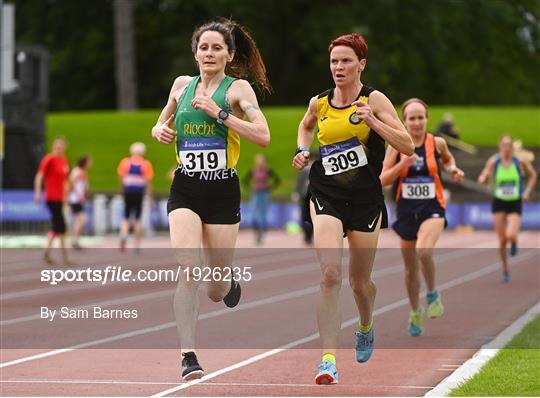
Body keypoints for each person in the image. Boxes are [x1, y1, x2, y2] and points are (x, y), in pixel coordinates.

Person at [150, 18, 271, 381]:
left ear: (229, 54)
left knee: (215, 289)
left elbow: (263, 135)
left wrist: (219, 114)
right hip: (186, 187)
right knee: (187, 268)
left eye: (217, 47)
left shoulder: (238, 91)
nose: (209, 53)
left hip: (221, 190)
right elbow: (160, 124)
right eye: (204, 47)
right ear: (195, 52)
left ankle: (228, 281)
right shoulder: (181, 85)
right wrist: (159, 130)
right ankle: (188, 355)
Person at [292, 33, 414, 385]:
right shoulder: (320, 101)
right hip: (325, 192)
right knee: (330, 274)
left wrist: (373, 121)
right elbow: (305, 124)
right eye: (334, 61)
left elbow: (406, 144)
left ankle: (365, 324)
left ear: (361, 64)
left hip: (364, 199)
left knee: (360, 283)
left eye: (346, 61)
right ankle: (328, 359)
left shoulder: (373, 98)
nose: (338, 67)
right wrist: (301, 149)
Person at [380, 98, 464, 337]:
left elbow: (448, 160)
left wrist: (453, 170)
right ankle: (415, 310)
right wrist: (402, 164)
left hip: (432, 207)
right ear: (404, 122)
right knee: (409, 269)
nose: (416, 123)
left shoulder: (437, 143)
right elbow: (383, 179)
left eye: (420, 117)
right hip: (406, 210)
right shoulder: (396, 146)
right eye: (411, 118)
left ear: (427, 119)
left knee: (424, 252)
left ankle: (433, 293)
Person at [478, 135, 537, 282]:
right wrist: (483, 178)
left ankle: (515, 242)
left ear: (511, 147)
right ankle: (505, 268)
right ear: (499, 146)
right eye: (503, 145)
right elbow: (485, 174)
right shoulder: (494, 161)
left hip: (514, 202)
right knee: (502, 240)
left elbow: (533, 175)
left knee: (510, 235)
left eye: (508, 145)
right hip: (499, 202)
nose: (506, 148)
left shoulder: (519, 162)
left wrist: (527, 192)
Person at [34, 137, 71, 265]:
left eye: (61, 146)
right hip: (52, 197)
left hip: (60, 198)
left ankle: (50, 254)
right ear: (53, 146)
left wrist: (66, 195)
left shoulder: (64, 160)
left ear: (65, 147)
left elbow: (65, 181)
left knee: (58, 228)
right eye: (57, 145)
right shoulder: (49, 159)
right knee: (60, 227)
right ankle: (62, 256)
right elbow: (39, 176)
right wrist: (38, 193)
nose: (59, 148)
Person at [117, 142, 154, 253]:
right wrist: (150, 195)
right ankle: (137, 244)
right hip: (139, 192)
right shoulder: (145, 164)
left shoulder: (126, 162)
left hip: (128, 190)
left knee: (126, 216)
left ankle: (123, 235)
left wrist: (122, 191)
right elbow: (148, 181)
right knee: (138, 218)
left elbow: (121, 178)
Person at [243, 153, 281, 244]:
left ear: (264, 161)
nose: (259, 162)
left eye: (261, 160)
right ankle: (257, 233)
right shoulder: (253, 170)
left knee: (263, 215)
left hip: (264, 193)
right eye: (257, 160)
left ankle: (261, 234)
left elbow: (277, 180)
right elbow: (245, 180)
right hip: (255, 193)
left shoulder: (267, 170)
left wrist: (270, 187)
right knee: (254, 214)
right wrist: (250, 187)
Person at [68, 155, 92, 249]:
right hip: (75, 199)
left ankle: (76, 240)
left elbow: (83, 185)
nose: (90, 164)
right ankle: (75, 240)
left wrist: (84, 194)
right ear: (84, 162)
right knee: (82, 219)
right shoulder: (77, 171)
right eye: (89, 162)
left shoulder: (82, 172)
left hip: (78, 198)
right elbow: (71, 182)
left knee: (79, 220)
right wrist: (78, 195)